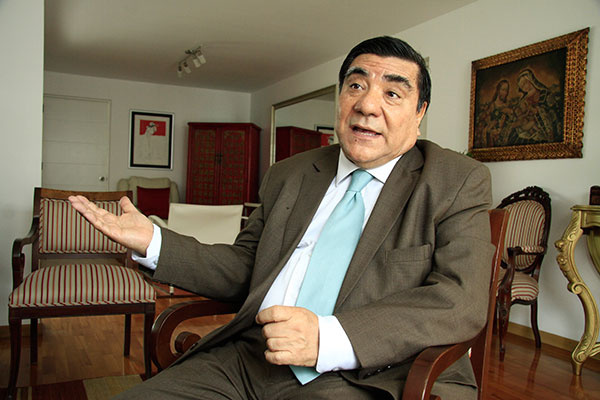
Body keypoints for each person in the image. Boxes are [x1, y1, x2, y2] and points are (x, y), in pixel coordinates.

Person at [70, 36, 494, 400]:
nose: (367, 105)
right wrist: (155, 240)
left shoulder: (455, 180)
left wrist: (327, 339)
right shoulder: (291, 174)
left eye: (392, 94)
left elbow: (459, 298)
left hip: (365, 378)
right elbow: (244, 266)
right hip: (248, 358)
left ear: (419, 113)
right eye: (356, 86)